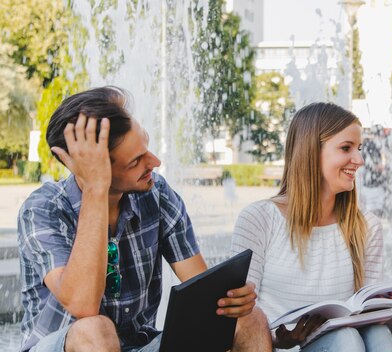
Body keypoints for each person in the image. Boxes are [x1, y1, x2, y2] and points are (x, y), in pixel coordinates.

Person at [17, 86, 271, 352]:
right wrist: (96, 189)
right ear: (92, 169)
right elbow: (83, 304)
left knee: (248, 320)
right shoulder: (43, 209)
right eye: (136, 161)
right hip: (68, 345)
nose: (155, 162)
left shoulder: (157, 194)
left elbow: (203, 293)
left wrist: (232, 300)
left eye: (146, 147)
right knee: (95, 330)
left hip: (141, 345)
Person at [230, 102, 392, 351]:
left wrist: (383, 307)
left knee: (376, 333)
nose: (360, 160)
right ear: (311, 151)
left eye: (359, 148)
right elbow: (241, 319)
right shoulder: (259, 219)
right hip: (278, 347)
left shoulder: (367, 226)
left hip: (343, 343)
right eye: (346, 148)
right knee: (346, 340)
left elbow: (365, 311)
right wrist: (280, 340)